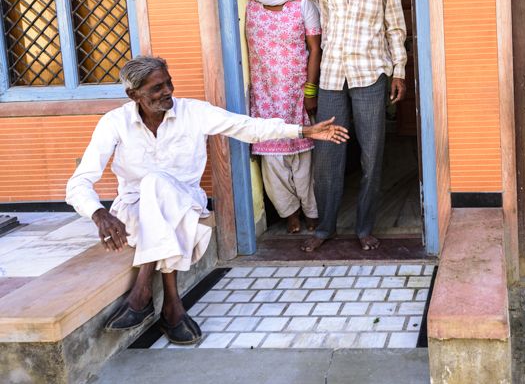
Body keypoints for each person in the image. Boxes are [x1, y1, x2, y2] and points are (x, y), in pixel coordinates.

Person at [66, 56, 348, 344]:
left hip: (185, 202)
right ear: (133, 94)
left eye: (169, 83)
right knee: (153, 190)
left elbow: (247, 127)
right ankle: (172, 307)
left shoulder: (193, 112)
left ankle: (142, 291)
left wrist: (302, 130)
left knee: (155, 183)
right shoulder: (115, 123)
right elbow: (78, 183)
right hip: (134, 210)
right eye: (156, 88)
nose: (168, 92)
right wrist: (98, 213)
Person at [302, 0, 406, 253]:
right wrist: (312, 85)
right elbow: (327, 24)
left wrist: (399, 71)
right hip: (333, 74)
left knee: (371, 154)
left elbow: (395, 25)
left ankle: (364, 227)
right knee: (328, 155)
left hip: (371, 72)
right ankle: (325, 228)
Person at [246, 0, 321, 234]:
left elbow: (315, 49)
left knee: (303, 157)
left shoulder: (304, 4)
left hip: (296, 92)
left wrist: (310, 91)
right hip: (265, 93)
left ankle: (311, 210)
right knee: (272, 158)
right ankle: (289, 212)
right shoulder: (249, 4)